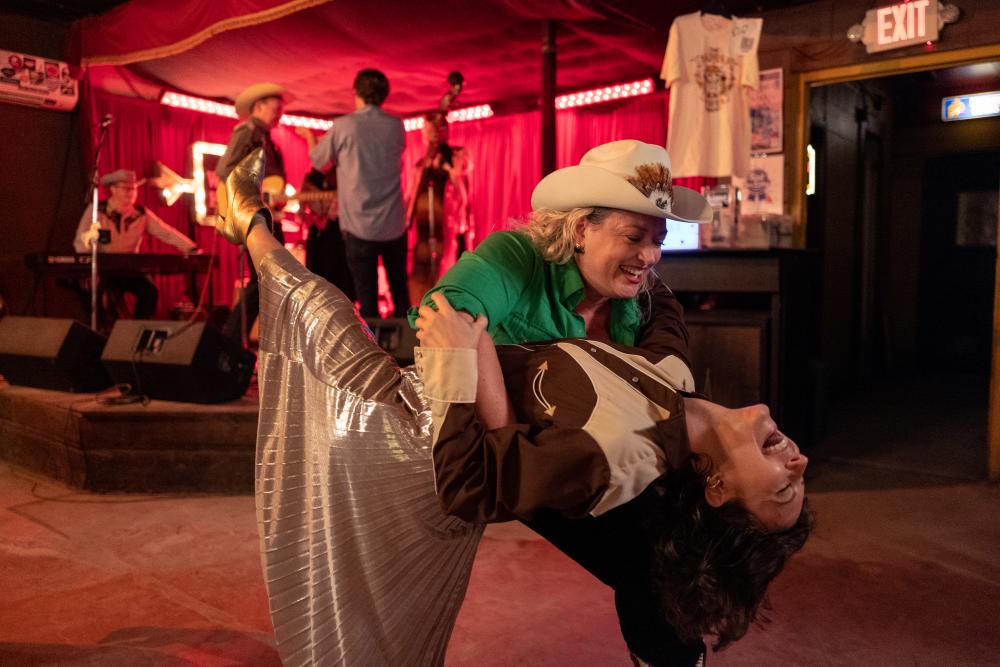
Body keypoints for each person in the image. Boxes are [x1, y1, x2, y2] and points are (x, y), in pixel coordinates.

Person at [214, 149, 812, 666]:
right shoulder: (533, 268)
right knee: (319, 310)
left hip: (462, 441)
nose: (651, 257)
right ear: (580, 229)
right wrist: (505, 419)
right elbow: (446, 318)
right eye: (637, 236)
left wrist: (508, 427)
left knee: (650, 566)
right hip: (422, 419)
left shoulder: (630, 429)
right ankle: (251, 223)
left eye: (659, 240)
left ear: (716, 482)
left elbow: (483, 470)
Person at [309, 68, 408, 318]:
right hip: (393, 226)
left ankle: (373, 353)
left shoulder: (344, 126)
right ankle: (409, 349)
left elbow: (319, 161)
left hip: (359, 227)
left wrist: (309, 138)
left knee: (367, 297)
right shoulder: (397, 126)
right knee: (400, 292)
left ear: (356, 93)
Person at [215, 81, 288, 343]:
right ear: (258, 107)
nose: (279, 115)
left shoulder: (265, 136)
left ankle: (236, 341)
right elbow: (225, 170)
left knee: (269, 280)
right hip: (251, 216)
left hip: (262, 216)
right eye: (275, 109)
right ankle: (230, 340)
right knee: (264, 280)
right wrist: (255, 194)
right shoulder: (247, 132)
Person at [73, 168, 199, 319]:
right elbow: (81, 240)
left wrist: (191, 247)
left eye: (134, 189)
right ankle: (99, 331)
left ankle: (136, 329)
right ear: (113, 189)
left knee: (149, 291)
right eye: (126, 189)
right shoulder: (96, 211)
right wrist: (87, 268)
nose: (131, 193)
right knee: (91, 295)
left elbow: (166, 233)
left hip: (129, 268)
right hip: (102, 268)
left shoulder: (140, 214)